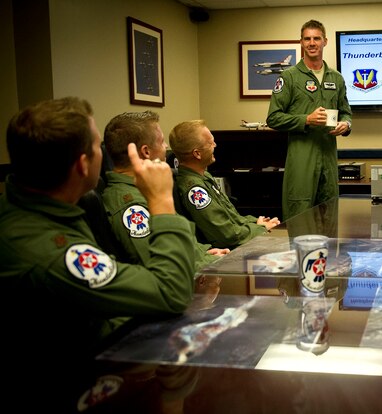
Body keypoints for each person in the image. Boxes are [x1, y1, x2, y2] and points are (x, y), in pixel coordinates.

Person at [0, 97, 198, 410]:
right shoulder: (47, 249)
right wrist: (161, 200)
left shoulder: (48, 209)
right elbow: (171, 291)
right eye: (97, 146)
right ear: (83, 164)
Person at [102, 111, 229, 270]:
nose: (166, 147)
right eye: (162, 142)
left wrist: (203, 253)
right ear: (146, 152)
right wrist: (207, 262)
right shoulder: (132, 207)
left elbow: (176, 243)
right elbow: (164, 267)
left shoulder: (148, 190)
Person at [266, 19, 352, 220]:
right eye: (307, 39)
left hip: (329, 157)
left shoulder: (336, 78)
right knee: (300, 217)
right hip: (302, 158)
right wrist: (306, 120)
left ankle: (328, 253)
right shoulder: (289, 77)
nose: (312, 43)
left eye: (316, 38)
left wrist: (346, 124)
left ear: (325, 42)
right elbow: (273, 118)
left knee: (329, 216)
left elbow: (346, 112)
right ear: (301, 43)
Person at [168, 119, 280, 249]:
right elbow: (227, 236)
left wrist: (256, 222)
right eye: (210, 143)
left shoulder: (205, 177)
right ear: (197, 153)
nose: (215, 145)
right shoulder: (195, 190)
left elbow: (232, 217)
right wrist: (260, 229)